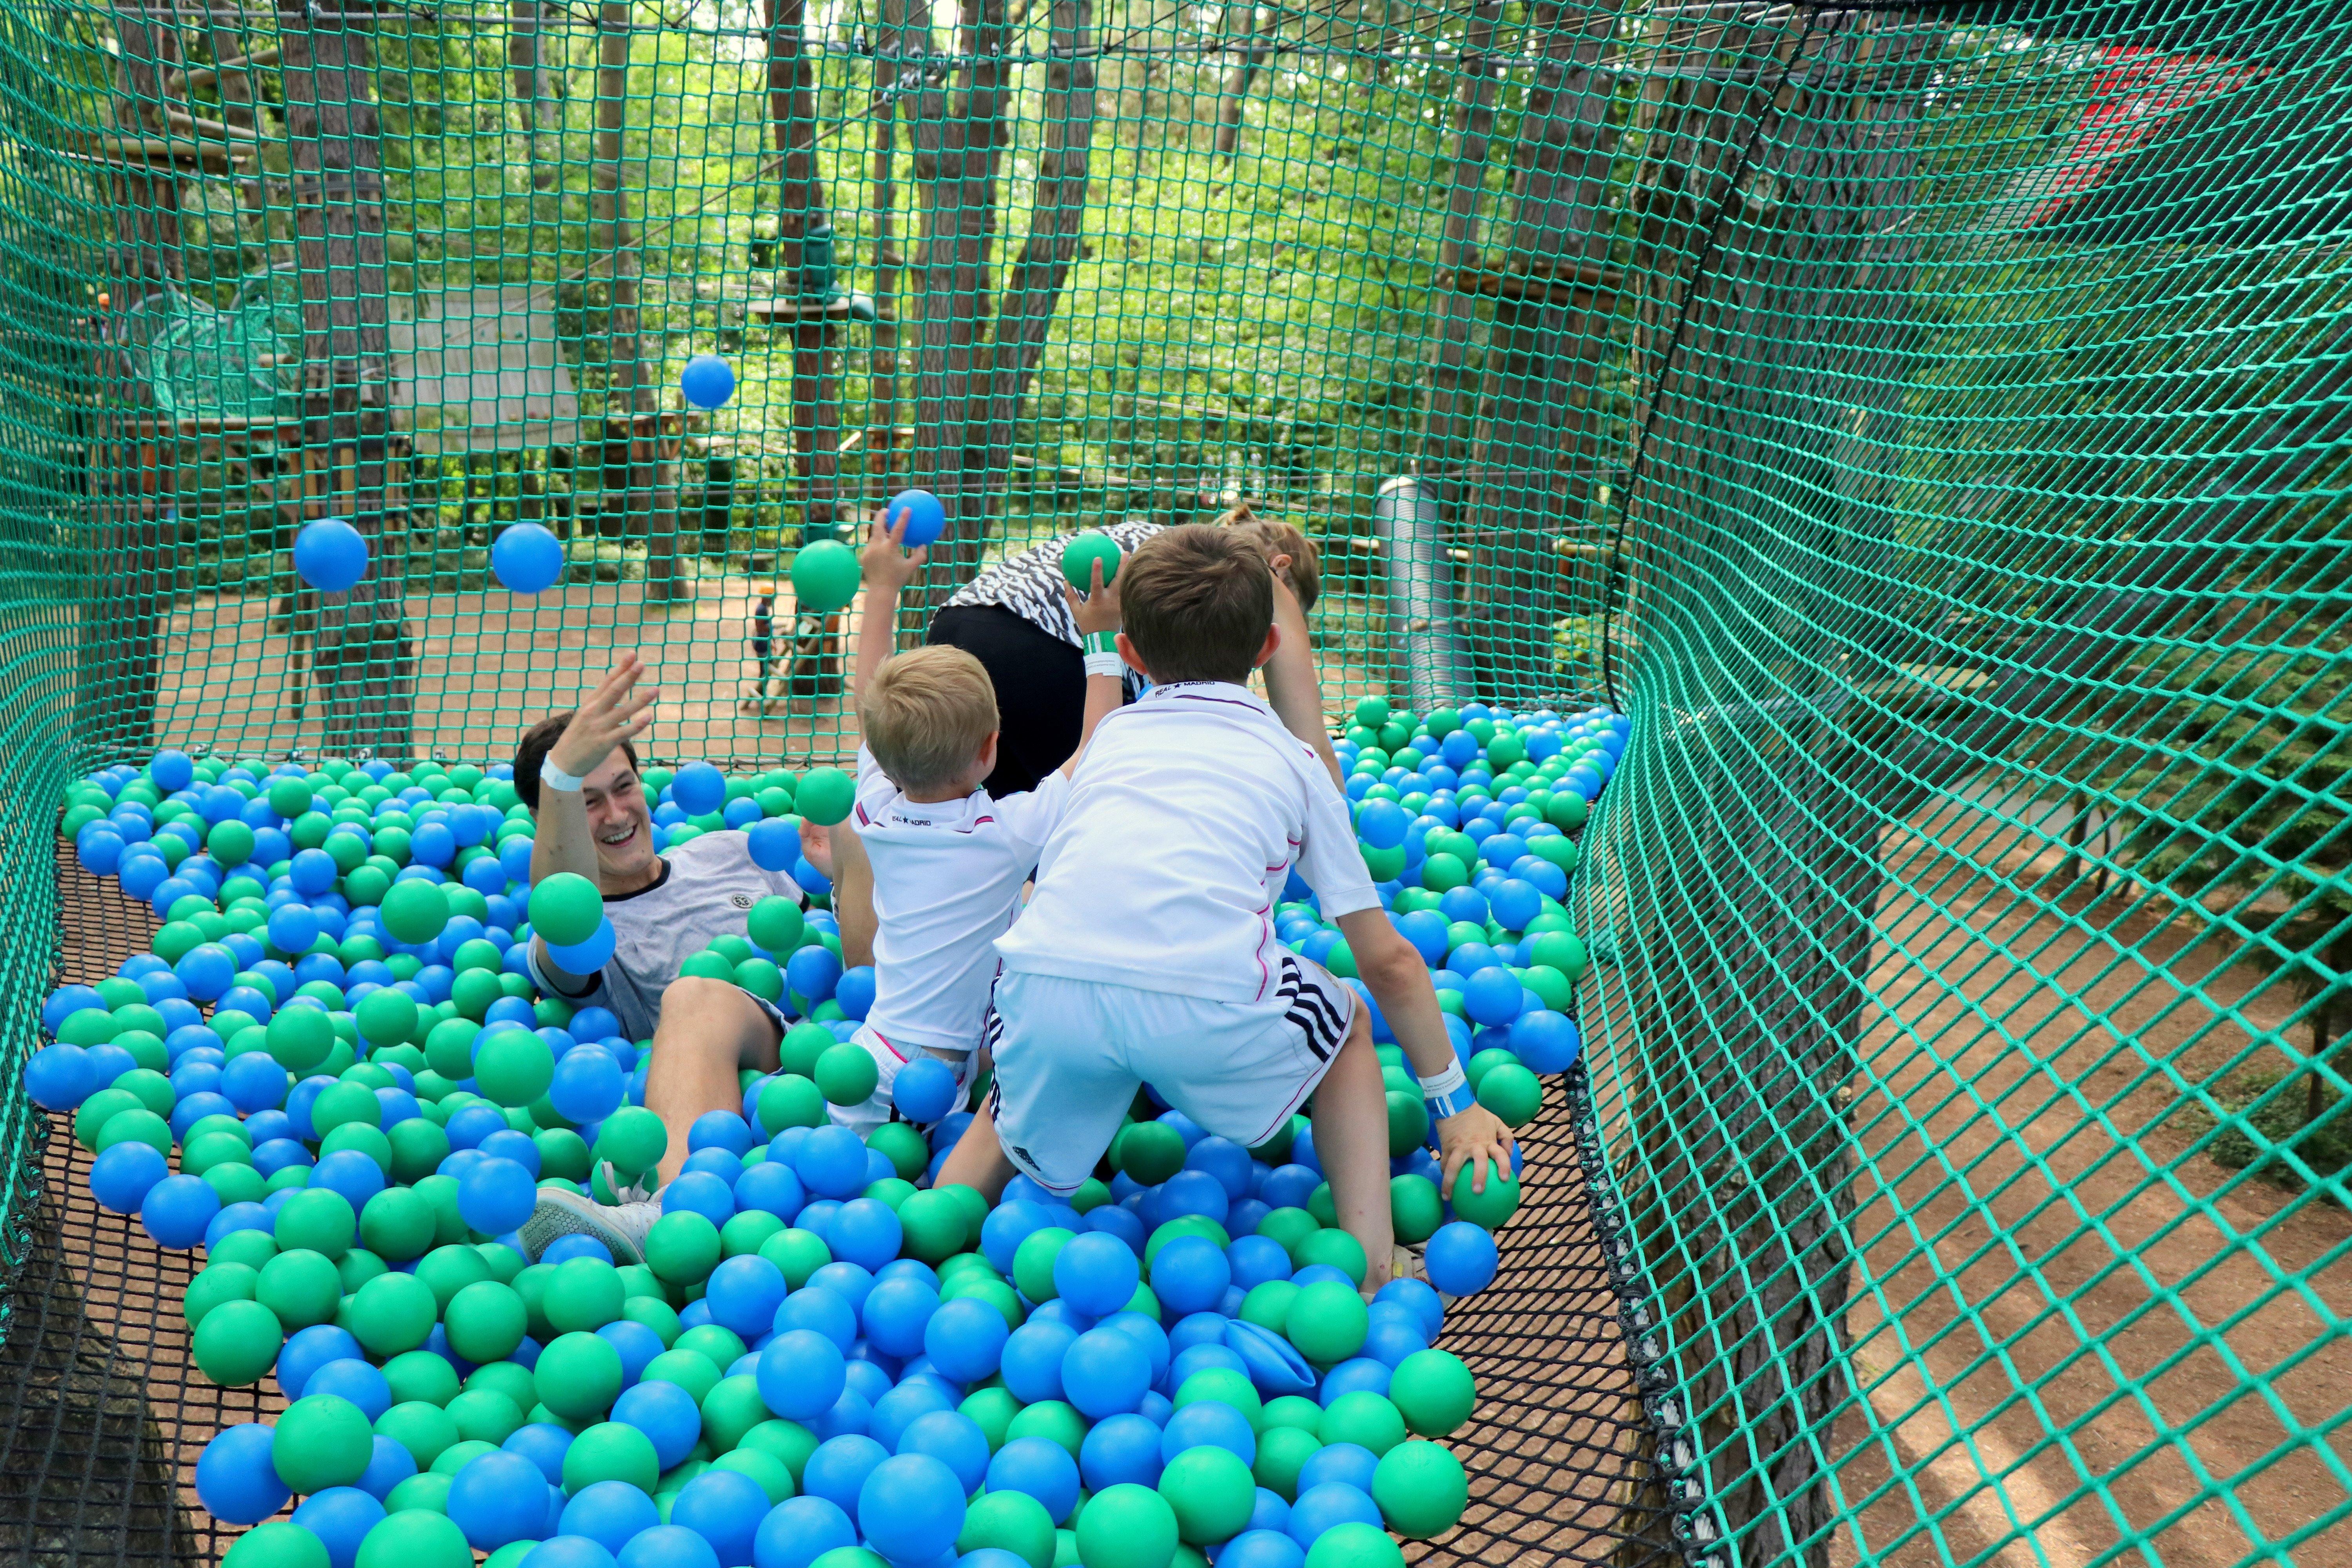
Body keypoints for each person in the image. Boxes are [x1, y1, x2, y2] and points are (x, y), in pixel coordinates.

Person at [937, 525, 1515, 1293]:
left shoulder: (1105, 741)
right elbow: (1391, 964)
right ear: (1269, 644)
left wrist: (1099, 640)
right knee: (1347, 1024)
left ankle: (924, 1244)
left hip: (1043, 991)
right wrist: (1453, 1104)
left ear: (1135, 654)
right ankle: (1370, 1271)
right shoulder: (1295, 762)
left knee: (1013, 1084)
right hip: (1203, 1008)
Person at [513, 653, 828, 1263]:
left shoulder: (734, 850)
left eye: (623, 787)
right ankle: (672, 1215)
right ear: (548, 822)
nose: (616, 815)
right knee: (696, 993)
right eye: (587, 802)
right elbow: (561, 908)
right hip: (757, 1086)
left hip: (843, 1059)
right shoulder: (581, 934)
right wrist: (558, 780)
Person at [819, 508, 1124, 1134]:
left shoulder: (874, 807)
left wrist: (883, 587)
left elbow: (866, 699)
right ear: (991, 750)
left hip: (886, 1054)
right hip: (924, 1074)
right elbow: (1096, 745)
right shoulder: (1000, 837)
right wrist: (1100, 638)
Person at [925, 506, 1323, 795]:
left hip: (955, 624)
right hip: (1039, 649)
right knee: (1096, 804)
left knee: (1015, 836)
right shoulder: (1239, 575)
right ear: (1280, 567)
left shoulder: (1165, 539)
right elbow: (1310, 743)